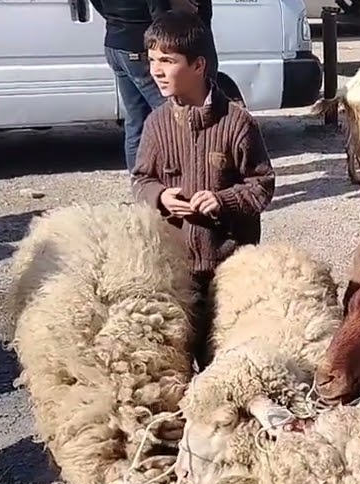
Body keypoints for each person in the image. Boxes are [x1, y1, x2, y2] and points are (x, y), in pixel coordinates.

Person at [130, 10, 275, 362]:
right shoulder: (157, 124)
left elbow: (262, 184)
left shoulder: (237, 123)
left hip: (228, 266)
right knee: (178, 354)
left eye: (168, 60)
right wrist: (161, 196)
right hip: (176, 267)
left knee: (224, 351)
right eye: (152, 60)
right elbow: (140, 180)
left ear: (198, 66)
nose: (156, 70)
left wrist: (223, 200)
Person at [89, 0, 170, 170]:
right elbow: (159, 13)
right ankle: (174, 174)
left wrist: (115, 18)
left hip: (114, 43)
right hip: (138, 44)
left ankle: (138, 179)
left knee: (135, 117)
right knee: (170, 112)